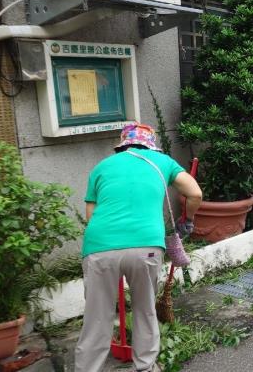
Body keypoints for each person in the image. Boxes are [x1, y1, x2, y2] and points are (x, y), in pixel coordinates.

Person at [75, 123, 202, 372]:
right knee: (145, 311)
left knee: (96, 319)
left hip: (100, 247)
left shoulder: (101, 167)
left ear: (122, 145)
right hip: (146, 246)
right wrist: (187, 219)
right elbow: (195, 193)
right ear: (150, 144)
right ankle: (145, 367)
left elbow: (91, 216)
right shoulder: (162, 161)